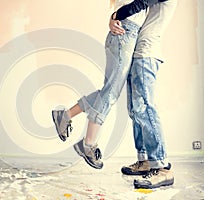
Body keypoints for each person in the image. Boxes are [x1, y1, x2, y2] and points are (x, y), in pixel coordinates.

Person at [52, 0, 150, 170]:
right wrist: (115, 16)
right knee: (110, 93)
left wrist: (114, 16)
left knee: (108, 91)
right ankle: (88, 144)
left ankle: (65, 115)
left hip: (125, 32)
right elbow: (139, 4)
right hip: (125, 32)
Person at [110, 0, 177, 189]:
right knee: (135, 110)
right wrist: (114, 18)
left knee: (144, 108)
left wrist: (115, 15)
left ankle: (162, 167)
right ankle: (145, 160)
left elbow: (138, 5)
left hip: (147, 53)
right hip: (137, 52)